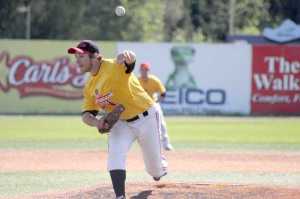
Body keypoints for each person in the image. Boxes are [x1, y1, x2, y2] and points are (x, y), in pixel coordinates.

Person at [67, 40, 167, 199]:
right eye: (76, 56)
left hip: (146, 117)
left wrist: (130, 57)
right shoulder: (89, 86)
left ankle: (159, 168)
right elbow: (86, 115)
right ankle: (120, 196)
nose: (77, 60)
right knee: (115, 155)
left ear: (95, 57)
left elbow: (129, 61)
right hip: (121, 123)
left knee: (155, 170)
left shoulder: (114, 65)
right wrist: (97, 122)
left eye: (81, 56)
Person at [138, 62, 174, 151]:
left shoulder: (154, 80)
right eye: (143, 70)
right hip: (141, 106)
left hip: (153, 105)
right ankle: (144, 145)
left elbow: (163, 93)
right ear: (140, 71)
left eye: (146, 70)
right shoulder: (137, 81)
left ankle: (166, 144)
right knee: (137, 125)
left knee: (161, 124)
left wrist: (157, 102)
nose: (144, 72)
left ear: (148, 71)